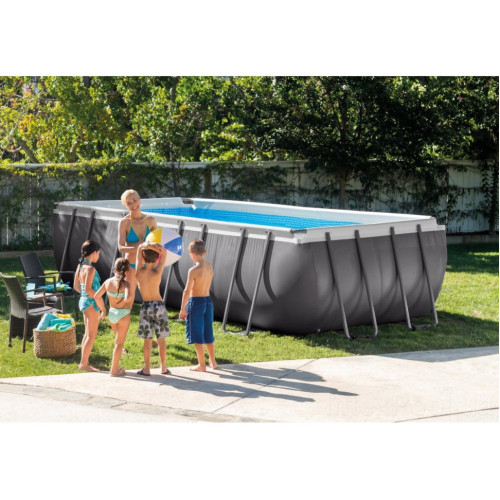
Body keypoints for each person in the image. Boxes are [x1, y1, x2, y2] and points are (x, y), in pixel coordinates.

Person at [118, 189, 158, 347]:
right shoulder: (124, 222)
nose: (133, 204)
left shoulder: (151, 220)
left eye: (135, 200)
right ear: (125, 205)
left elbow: (158, 242)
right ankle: (121, 341)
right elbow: (121, 247)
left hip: (147, 265)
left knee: (149, 301)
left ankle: (149, 338)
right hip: (132, 266)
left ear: (139, 199)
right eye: (129, 203)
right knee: (128, 300)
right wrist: (140, 246)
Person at [179, 239, 218, 372]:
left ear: (192, 253)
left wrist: (182, 309)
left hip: (196, 302)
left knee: (197, 334)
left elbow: (187, 290)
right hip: (208, 301)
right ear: (204, 252)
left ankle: (201, 365)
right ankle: (213, 362)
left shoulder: (193, 270)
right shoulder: (209, 266)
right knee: (208, 332)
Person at [134, 241, 171, 376]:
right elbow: (164, 254)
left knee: (147, 340)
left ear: (143, 258)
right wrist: (160, 249)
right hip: (159, 306)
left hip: (146, 307)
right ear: (156, 260)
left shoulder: (138, 272)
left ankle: (147, 369)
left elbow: (139, 250)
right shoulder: (157, 272)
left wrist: (146, 246)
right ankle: (163, 367)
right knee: (161, 340)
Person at [94, 258, 133, 377]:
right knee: (119, 344)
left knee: (117, 341)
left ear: (114, 269)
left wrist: (103, 310)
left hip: (112, 315)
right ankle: (114, 369)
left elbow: (96, 296)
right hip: (123, 315)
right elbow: (128, 298)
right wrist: (120, 305)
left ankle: (115, 367)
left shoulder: (108, 282)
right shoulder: (126, 284)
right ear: (127, 271)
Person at [73, 239, 105, 372]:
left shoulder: (80, 266)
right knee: (91, 335)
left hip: (84, 301)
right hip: (91, 304)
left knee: (87, 334)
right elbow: (89, 289)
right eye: (99, 253)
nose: (99, 256)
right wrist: (101, 304)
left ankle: (84, 362)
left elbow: (76, 287)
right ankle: (84, 364)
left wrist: (85, 296)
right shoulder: (90, 269)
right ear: (94, 252)